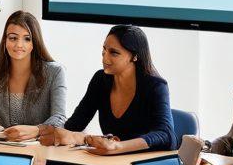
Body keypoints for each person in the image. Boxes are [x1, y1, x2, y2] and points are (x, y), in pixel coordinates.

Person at [39, 24, 175, 153]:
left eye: (114, 53)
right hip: (111, 162)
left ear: (135, 56)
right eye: (104, 50)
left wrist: (118, 146)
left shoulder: (156, 86)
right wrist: (44, 132)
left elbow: (166, 135)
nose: (105, 57)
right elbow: (74, 125)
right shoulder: (100, 80)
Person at [0, 11, 68, 141]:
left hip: (43, 147)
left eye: (27, 39)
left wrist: (37, 130)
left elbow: (60, 118)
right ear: (5, 40)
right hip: (6, 146)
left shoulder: (55, 72)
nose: (19, 45)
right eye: (13, 38)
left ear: (34, 42)